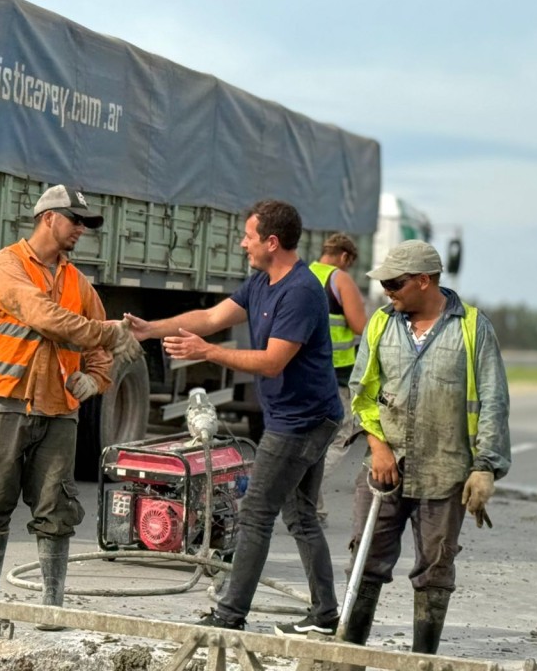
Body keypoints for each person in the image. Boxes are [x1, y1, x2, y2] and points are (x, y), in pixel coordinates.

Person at [126, 199, 344, 636]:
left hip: (302, 421)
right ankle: (325, 616)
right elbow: (209, 317)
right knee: (300, 516)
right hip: (300, 416)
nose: (242, 243)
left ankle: (230, 615)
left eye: (248, 235)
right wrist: (152, 329)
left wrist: (207, 353)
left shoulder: (300, 291)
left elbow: (272, 362)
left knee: (255, 514)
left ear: (272, 241)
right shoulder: (262, 280)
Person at [0, 184, 142, 629]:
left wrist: (95, 379)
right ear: (48, 218)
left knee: (56, 509)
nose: (81, 229)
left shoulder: (80, 284)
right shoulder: (7, 266)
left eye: (85, 223)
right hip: (4, 400)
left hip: (58, 410)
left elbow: (100, 349)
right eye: (74, 220)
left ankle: (51, 605)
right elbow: (41, 314)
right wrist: (108, 334)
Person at [344, 239, 510, 655]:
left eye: (394, 282)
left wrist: (485, 466)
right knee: (364, 564)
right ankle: (347, 657)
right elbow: (361, 394)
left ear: (424, 281)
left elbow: (492, 400)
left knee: (435, 571)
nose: (387, 290)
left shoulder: (472, 328)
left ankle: (422, 660)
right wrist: (377, 447)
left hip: (445, 474)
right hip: (384, 472)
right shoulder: (382, 325)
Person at [308, 233, 368, 526]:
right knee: (342, 434)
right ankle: (308, 490)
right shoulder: (340, 279)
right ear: (345, 257)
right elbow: (360, 326)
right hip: (335, 372)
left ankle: (313, 506)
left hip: (303, 369)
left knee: (308, 434)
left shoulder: (304, 273)